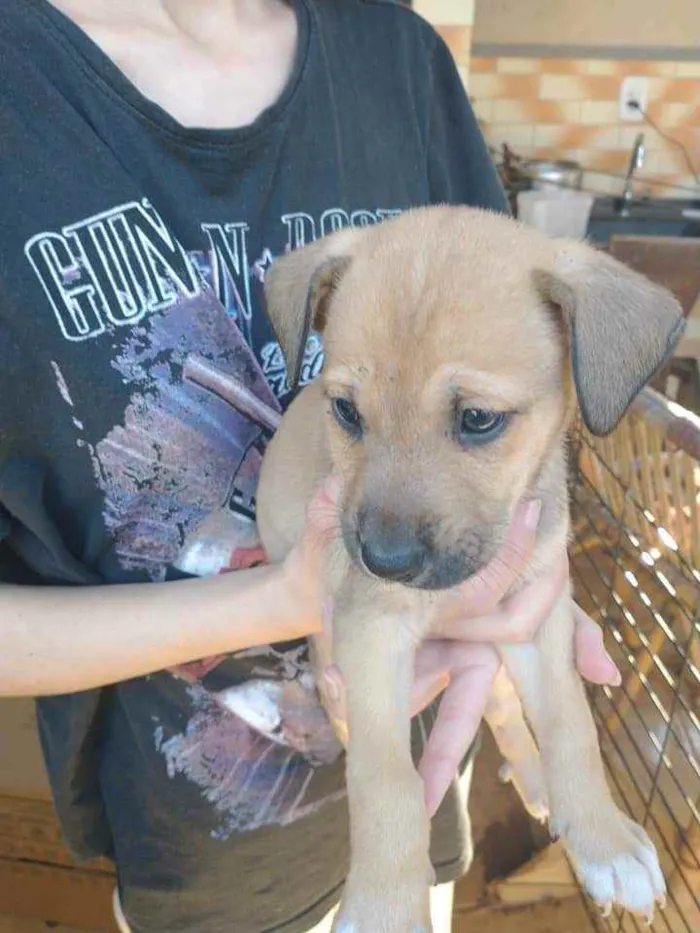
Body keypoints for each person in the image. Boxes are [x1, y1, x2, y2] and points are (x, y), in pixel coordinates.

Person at [0, 2, 621, 932]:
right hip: (208, 855)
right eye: (346, 412)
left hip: (426, 784)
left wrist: (530, 573)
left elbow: (529, 340)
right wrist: (291, 599)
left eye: (475, 420)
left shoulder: (396, 52)